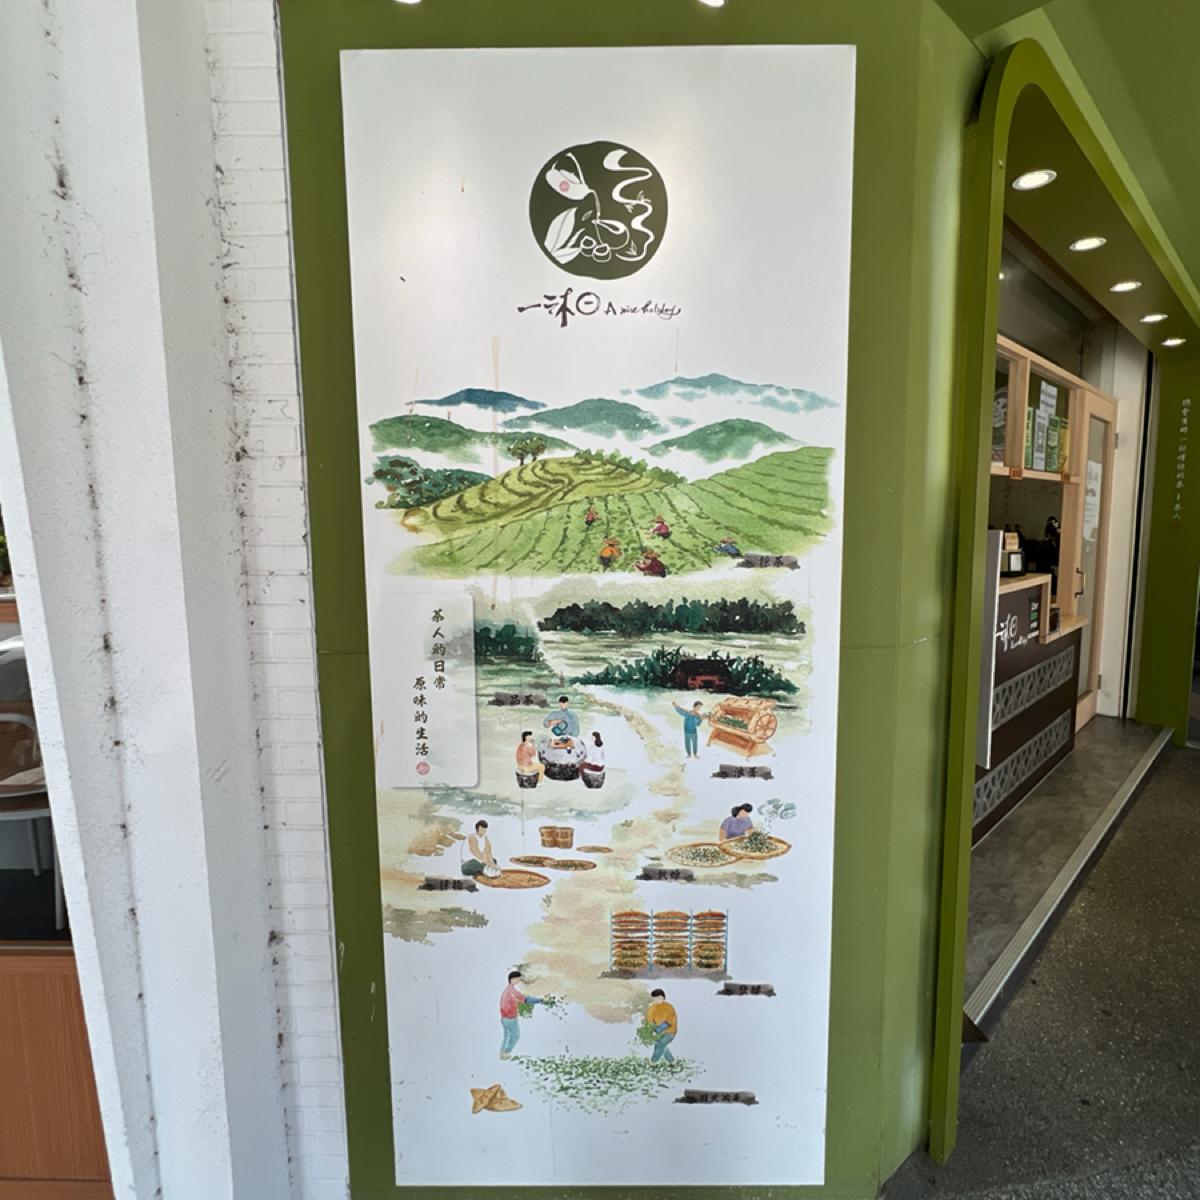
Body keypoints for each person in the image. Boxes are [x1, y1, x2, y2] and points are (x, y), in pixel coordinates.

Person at [499, 969, 541, 1059]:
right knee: (515, 1036)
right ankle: (505, 1052)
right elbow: (524, 999)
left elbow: (522, 999)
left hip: (506, 1018)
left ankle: (503, 1053)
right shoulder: (510, 991)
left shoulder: (509, 990)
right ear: (512, 979)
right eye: (517, 979)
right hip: (510, 1018)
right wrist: (539, 1000)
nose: (518, 980)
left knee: (507, 1036)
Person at [645, 988, 677, 1065]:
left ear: (663, 997)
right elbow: (650, 1021)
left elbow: (669, 1022)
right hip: (658, 1032)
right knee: (661, 1045)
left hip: (670, 1032)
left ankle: (653, 1061)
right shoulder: (652, 1008)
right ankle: (672, 1061)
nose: (657, 1000)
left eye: (659, 998)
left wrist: (657, 1030)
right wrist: (650, 1029)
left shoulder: (669, 1007)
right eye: (655, 998)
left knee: (660, 1045)